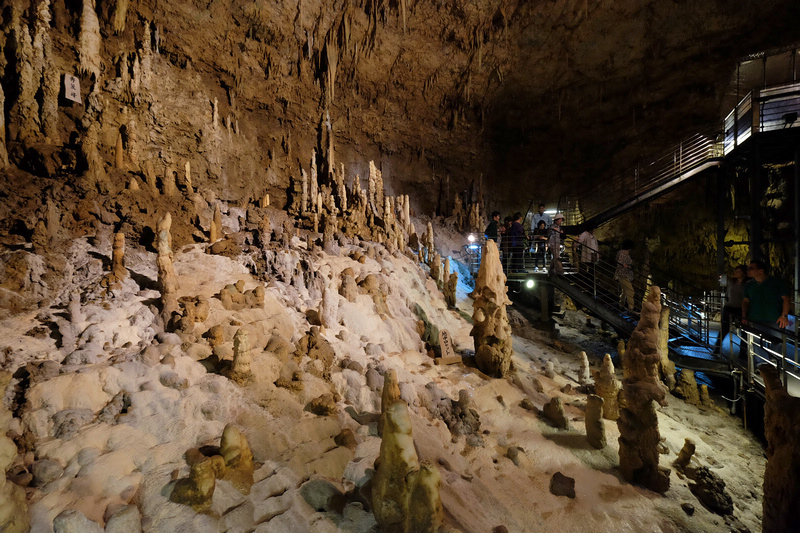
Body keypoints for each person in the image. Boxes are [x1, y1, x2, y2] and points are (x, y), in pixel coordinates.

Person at [742, 260, 790, 330]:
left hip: (774, 319)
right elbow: (745, 301)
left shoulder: (777, 283)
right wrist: (744, 316)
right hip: (755, 319)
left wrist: (784, 315)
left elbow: (786, 299)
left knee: (775, 340)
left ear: (761, 271)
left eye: (750, 269)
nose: (747, 271)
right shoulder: (749, 285)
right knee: (755, 340)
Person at [717, 265, 748, 349]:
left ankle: (743, 351)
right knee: (724, 327)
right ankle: (717, 347)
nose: (735, 273)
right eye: (735, 271)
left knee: (744, 330)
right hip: (729, 306)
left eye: (738, 271)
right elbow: (721, 276)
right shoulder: (731, 282)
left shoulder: (747, 285)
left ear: (744, 273)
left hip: (741, 308)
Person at [614, 240, 634, 311]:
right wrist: (628, 266)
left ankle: (621, 304)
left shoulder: (621, 252)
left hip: (622, 274)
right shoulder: (623, 254)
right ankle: (631, 308)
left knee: (625, 291)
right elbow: (622, 263)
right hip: (623, 274)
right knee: (630, 290)